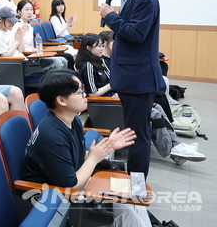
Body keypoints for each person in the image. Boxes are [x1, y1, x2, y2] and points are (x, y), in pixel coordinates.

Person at [21, 69, 151, 227]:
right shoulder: (52, 136)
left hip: (68, 180)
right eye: (80, 91)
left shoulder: (71, 120)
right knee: (127, 210)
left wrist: (107, 146)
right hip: (52, 197)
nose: (85, 95)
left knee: (132, 196)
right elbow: (72, 184)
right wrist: (94, 158)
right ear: (61, 100)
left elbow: (78, 156)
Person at [100, 0, 164, 177]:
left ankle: (136, 189)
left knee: (137, 136)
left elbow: (136, 34)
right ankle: (133, 183)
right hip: (131, 78)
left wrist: (109, 16)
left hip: (138, 79)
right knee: (133, 133)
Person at [96, 31, 205, 165]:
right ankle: (174, 150)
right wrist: (116, 83)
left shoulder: (114, 58)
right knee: (154, 111)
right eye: (99, 46)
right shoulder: (96, 64)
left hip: (123, 95)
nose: (101, 49)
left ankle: (177, 145)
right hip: (113, 102)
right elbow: (96, 92)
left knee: (158, 103)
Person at [0, 6, 66, 76]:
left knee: (62, 60)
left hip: (22, 61)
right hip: (16, 66)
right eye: (9, 21)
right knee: (57, 62)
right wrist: (17, 41)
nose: (12, 23)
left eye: (13, 21)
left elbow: (20, 51)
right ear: (0, 19)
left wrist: (21, 37)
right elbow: (5, 57)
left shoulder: (8, 32)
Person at [15, 0, 72, 69]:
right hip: (26, 57)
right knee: (57, 62)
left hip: (33, 54)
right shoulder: (18, 26)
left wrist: (41, 51)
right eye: (26, 10)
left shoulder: (30, 26)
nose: (29, 12)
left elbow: (32, 46)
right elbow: (20, 51)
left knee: (63, 59)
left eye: (31, 9)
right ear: (19, 11)